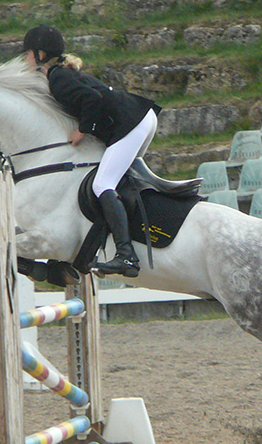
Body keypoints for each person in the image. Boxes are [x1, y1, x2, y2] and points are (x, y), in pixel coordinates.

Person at [22, 24, 161, 278]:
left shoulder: (57, 78)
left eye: (28, 53)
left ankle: (127, 257)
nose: (25, 58)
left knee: (102, 184)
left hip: (132, 123)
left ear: (41, 55)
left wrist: (81, 131)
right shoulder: (62, 73)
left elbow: (92, 100)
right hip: (140, 117)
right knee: (114, 179)